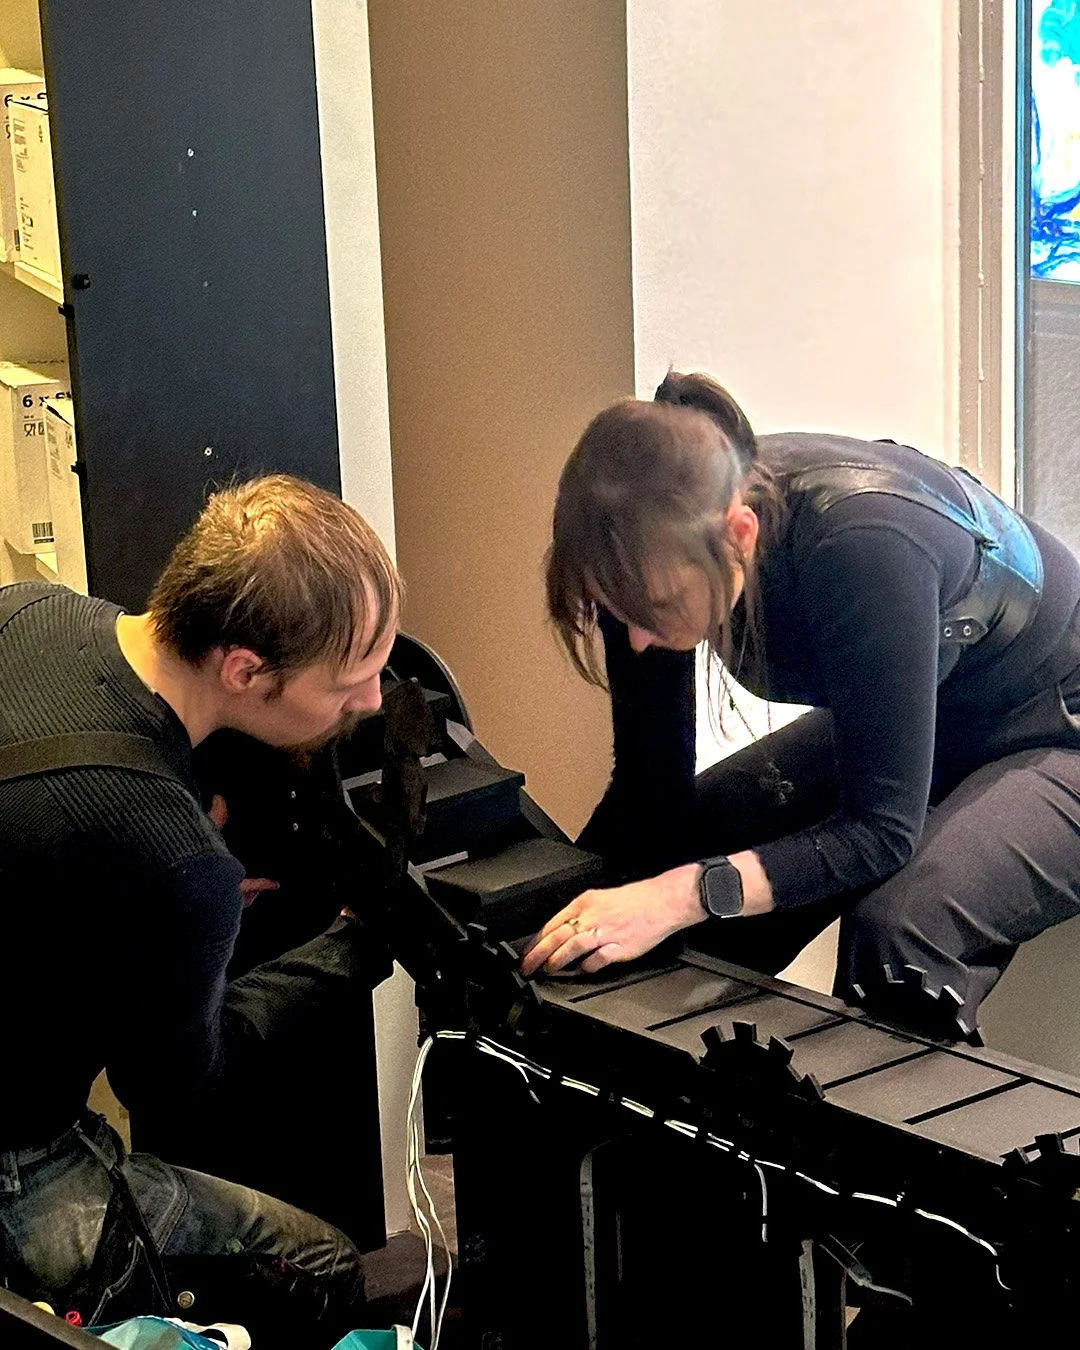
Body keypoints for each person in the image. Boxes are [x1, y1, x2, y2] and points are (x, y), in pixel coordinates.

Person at [523, 371, 1080, 1043]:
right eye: (617, 612)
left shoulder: (862, 545)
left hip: (1057, 726)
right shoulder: (644, 558)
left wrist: (675, 897)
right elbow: (650, 785)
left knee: (900, 934)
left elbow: (879, 833)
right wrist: (552, 915)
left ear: (740, 534)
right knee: (695, 844)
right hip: (935, 708)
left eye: (658, 609)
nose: (637, 639)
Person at [0, 475, 400, 1342]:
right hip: (18, 1161)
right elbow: (178, 1089)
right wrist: (352, 947)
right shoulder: (180, 864)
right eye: (351, 680)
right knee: (324, 1265)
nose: (372, 701)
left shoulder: (28, 610)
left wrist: (163, 876)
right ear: (245, 670)